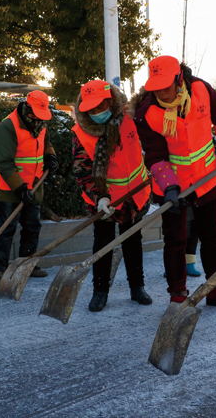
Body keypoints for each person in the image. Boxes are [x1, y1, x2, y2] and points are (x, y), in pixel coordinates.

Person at [133, 56, 216, 308]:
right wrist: (170, 188)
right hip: (172, 187)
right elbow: (156, 157)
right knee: (175, 240)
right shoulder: (147, 113)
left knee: (211, 235)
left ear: (179, 77)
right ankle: (177, 295)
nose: (161, 91)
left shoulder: (202, 90)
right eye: (156, 86)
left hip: (206, 178)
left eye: (166, 85)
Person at [71, 80, 153, 311]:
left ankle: (137, 288)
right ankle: (100, 291)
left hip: (134, 195)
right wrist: (100, 198)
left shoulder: (130, 117)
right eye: (91, 109)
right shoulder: (81, 132)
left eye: (100, 106)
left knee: (133, 242)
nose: (96, 112)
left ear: (110, 101)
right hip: (105, 199)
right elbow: (82, 171)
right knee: (103, 244)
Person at [0, 90, 57, 282]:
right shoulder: (8, 126)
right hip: (11, 187)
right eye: (34, 115)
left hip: (35, 183)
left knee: (32, 225)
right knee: (7, 226)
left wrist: (50, 156)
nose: (37, 120)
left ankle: (27, 264)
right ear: (26, 108)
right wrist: (20, 188)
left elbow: (46, 143)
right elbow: (3, 163)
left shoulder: (40, 123)